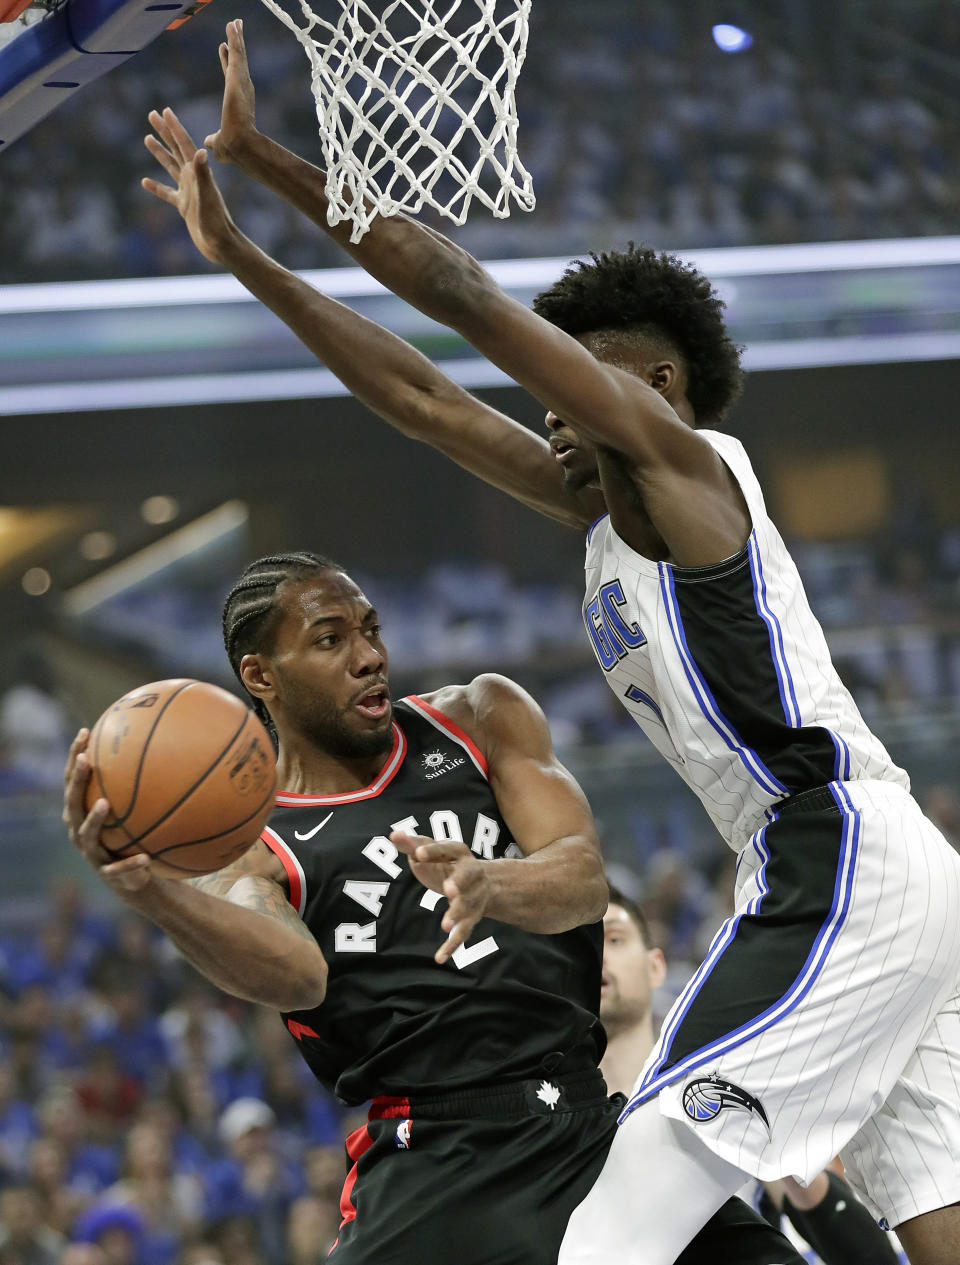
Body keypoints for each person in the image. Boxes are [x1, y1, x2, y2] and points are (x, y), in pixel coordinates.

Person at [138, 23, 960, 1265]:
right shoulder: (609, 508)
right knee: (938, 1222)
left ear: (657, 389)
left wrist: (278, 163)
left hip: (831, 848)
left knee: (615, 1234)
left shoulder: (685, 471)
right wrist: (241, 252)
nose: (549, 415)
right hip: (870, 864)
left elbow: (460, 298)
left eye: (578, 387)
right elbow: (418, 397)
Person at [63, 554, 805, 1264]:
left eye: (371, 629)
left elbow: (583, 877)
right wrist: (149, 891)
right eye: (330, 639)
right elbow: (294, 975)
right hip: (435, 1161)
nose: (368, 655)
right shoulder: (253, 843)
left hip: (582, 1124)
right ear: (261, 675)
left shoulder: (479, 718)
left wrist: (491, 885)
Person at [599, 884, 903, 1265]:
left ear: (656, 966)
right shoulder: (550, 1115)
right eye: (586, 946)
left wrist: (782, 1155)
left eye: (613, 938)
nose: (599, 956)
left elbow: (869, 1257)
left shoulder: (717, 1093)